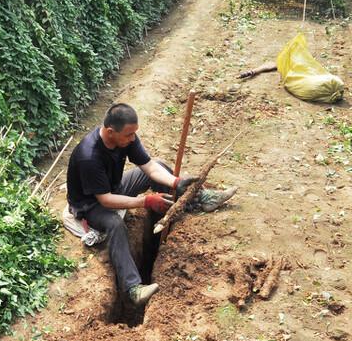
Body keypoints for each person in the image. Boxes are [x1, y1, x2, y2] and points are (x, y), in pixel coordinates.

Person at [63, 103, 236, 307]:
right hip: (90, 205)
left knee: (161, 165)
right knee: (115, 224)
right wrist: (145, 201)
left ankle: (198, 200)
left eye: (134, 133)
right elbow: (106, 200)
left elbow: (150, 167)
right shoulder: (89, 156)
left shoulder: (126, 139)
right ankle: (133, 288)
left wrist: (175, 182)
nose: (133, 138)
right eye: (128, 135)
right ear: (111, 132)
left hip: (114, 189)